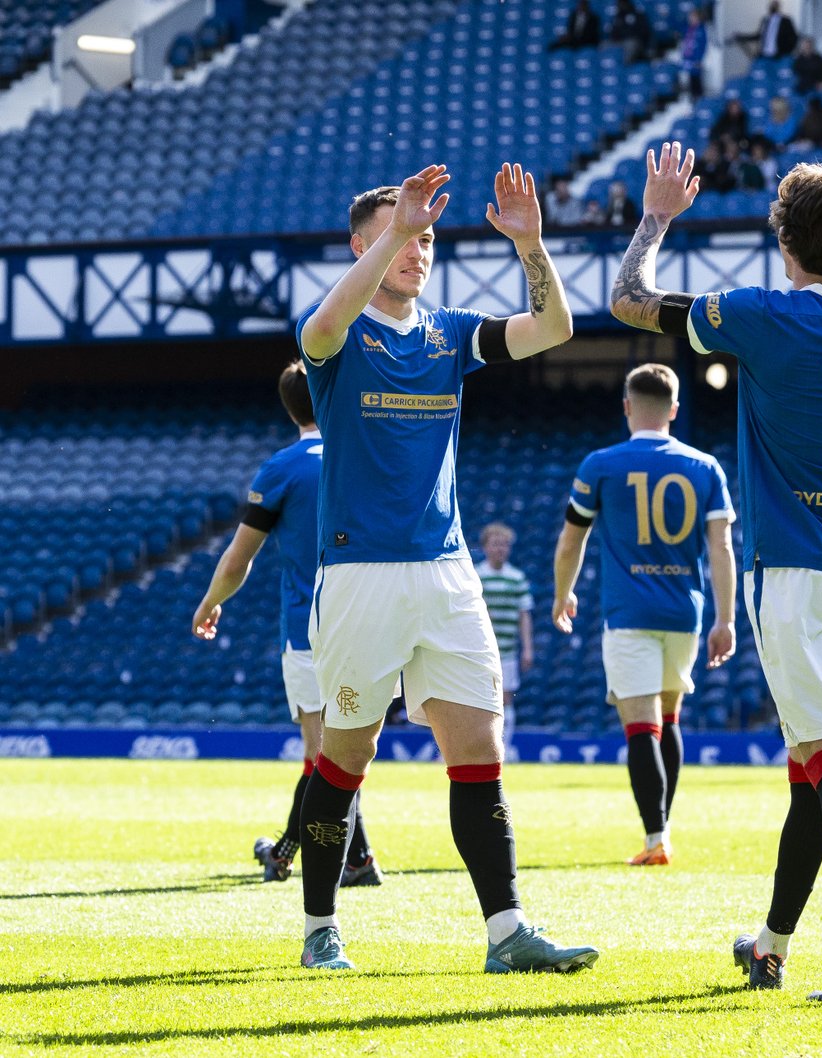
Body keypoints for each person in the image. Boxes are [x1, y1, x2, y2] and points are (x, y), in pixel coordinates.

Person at [609, 141, 822, 1001]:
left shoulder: (763, 315)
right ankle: (771, 944)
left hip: (793, 570)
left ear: (785, 243)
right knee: (813, 761)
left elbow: (628, 298)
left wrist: (658, 216)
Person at [293, 163, 598, 973]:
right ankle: (321, 927)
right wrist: (397, 223)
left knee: (480, 751)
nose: (417, 250)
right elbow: (317, 334)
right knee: (346, 757)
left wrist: (532, 246)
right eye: (400, 236)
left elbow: (553, 329)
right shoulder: (334, 333)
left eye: (427, 238)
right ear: (363, 245)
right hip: (361, 577)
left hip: (448, 573)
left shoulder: (451, 333)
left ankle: (507, 933)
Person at [192, 363, 381, 889]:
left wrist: (210, 602)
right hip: (368, 624)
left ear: (290, 408)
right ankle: (329, 855)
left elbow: (237, 561)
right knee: (344, 748)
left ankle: (334, 857)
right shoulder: (362, 457)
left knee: (323, 754)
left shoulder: (282, 469)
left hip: (307, 628)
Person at [552, 364, 737, 866]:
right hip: (685, 612)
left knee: (641, 727)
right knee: (669, 717)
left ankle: (656, 839)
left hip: (628, 612)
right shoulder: (706, 467)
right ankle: (662, 831)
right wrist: (726, 618)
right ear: (674, 410)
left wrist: (562, 594)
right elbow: (721, 545)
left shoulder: (600, 464)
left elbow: (573, 538)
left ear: (628, 407)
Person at [475, 523, 534, 720]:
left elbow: (524, 615)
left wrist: (527, 648)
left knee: (505, 698)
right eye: (495, 544)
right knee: (477, 698)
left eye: (504, 544)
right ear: (485, 547)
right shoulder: (476, 576)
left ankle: (504, 747)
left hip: (506, 650)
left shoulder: (517, 578)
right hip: (479, 650)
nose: (500, 549)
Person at [681, 7, 708, 99]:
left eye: (693, 17)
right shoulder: (688, 29)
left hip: (696, 59)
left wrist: (699, 59)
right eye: (690, 17)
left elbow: (703, 45)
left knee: (697, 78)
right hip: (688, 57)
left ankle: (699, 98)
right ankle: (693, 97)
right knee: (690, 78)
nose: (691, 19)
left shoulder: (701, 29)